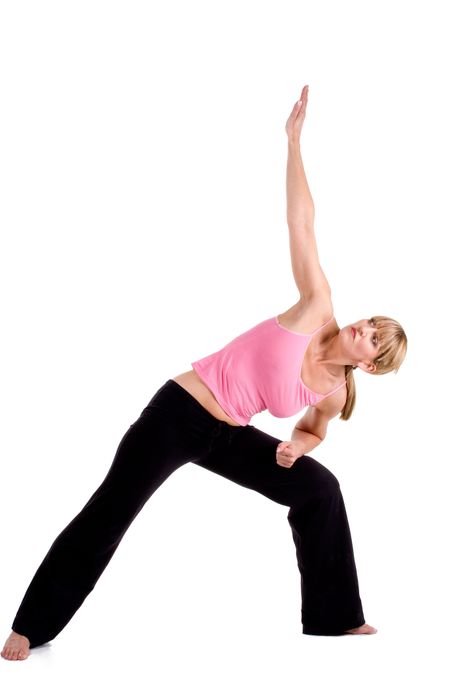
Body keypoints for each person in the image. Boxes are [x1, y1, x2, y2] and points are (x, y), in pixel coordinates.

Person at [2, 84, 407, 661]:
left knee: (320, 488)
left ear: (370, 362)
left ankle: (336, 617)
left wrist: (297, 445)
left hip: (229, 435)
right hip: (179, 411)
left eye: (372, 336)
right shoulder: (317, 306)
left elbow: (314, 430)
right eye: (369, 320)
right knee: (112, 507)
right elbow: (303, 224)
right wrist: (293, 144)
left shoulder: (334, 390)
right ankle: (30, 626)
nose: (361, 326)